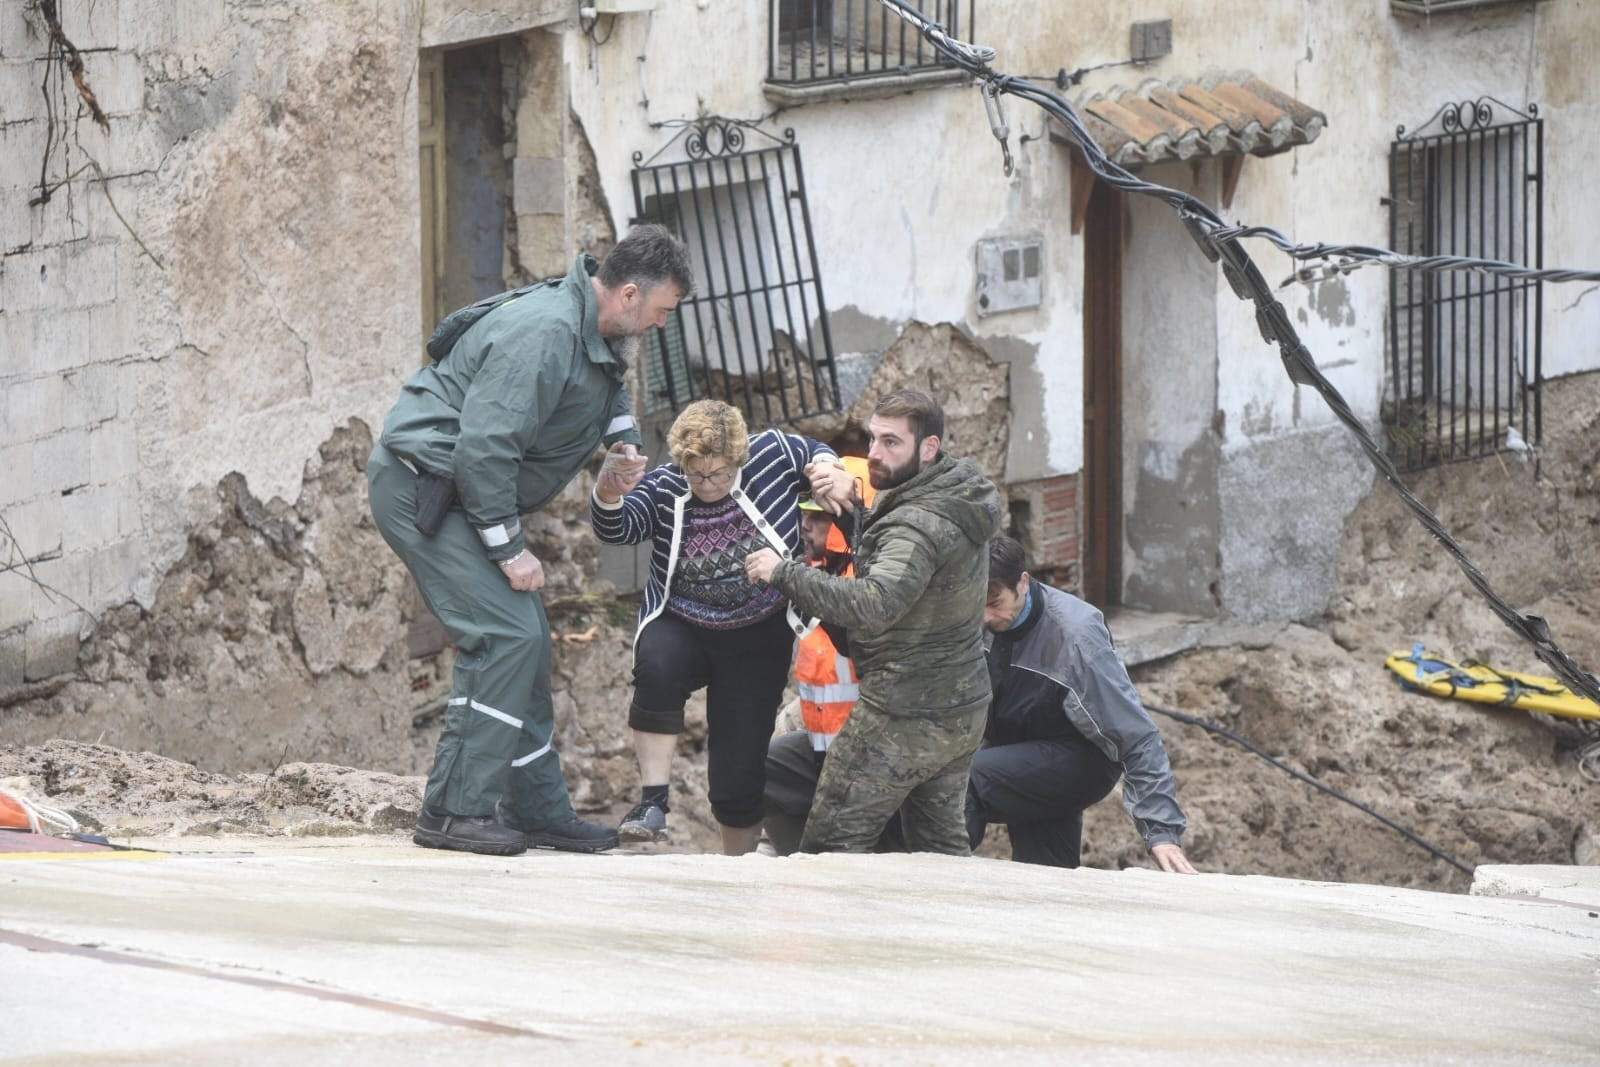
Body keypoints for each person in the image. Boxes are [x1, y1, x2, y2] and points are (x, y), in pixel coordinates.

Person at [368, 224, 689, 857]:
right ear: (628, 295)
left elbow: (607, 384)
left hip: (456, 487)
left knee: (529, 636)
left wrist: (622, 443)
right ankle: (452, 810)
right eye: (660, 312)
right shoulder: (543, 333)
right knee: (504, 634)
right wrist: (509, 549)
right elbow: (485, 448)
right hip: (423, 487)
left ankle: (538, 809)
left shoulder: (588, 323)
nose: (659, 325)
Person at [744, 389, 1001, 855]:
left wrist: (781, 572)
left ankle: (839, 929)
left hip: (901, 712)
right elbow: (896, 566)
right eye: (873, 439)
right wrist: (858, 506)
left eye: (891, 443)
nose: (875, 454)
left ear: (929, 448)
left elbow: (874, 602)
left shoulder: (917, 525)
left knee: (830, 850)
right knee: (939, 852)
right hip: (961, 707)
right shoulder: (956, 492)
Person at [591, 399, 850, 855]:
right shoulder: (667, 487)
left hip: (757, 633)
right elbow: (618, 530)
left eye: (718, 474)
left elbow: (815, 450)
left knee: (738, 773)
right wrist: (608, 492)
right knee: (656, 664)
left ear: (738, 458)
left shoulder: (771, 452)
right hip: (684, 621)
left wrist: (828, 466)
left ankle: (739, 870)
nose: (707, 484)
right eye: (697, 474)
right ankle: (652, 803)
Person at [974, 535, 1197, 872]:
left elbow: (1136, 736)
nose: (986, 617)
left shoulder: (1076, 636)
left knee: (967, 780)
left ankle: (932, 889)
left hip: (1080, 761)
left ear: (1023, 582)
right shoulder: (982, 621)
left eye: (995, 602)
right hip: (1021, 747)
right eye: (977, 603)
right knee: (1045, 874)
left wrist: (1161, 832)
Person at [763, 458, 874, 854]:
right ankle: (787, 855)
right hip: (821, 746)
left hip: (869, 756)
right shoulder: (813, 578)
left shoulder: (864, 589)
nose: (805, 526)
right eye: (802, 516)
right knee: (761, 765)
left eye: (819, 518)